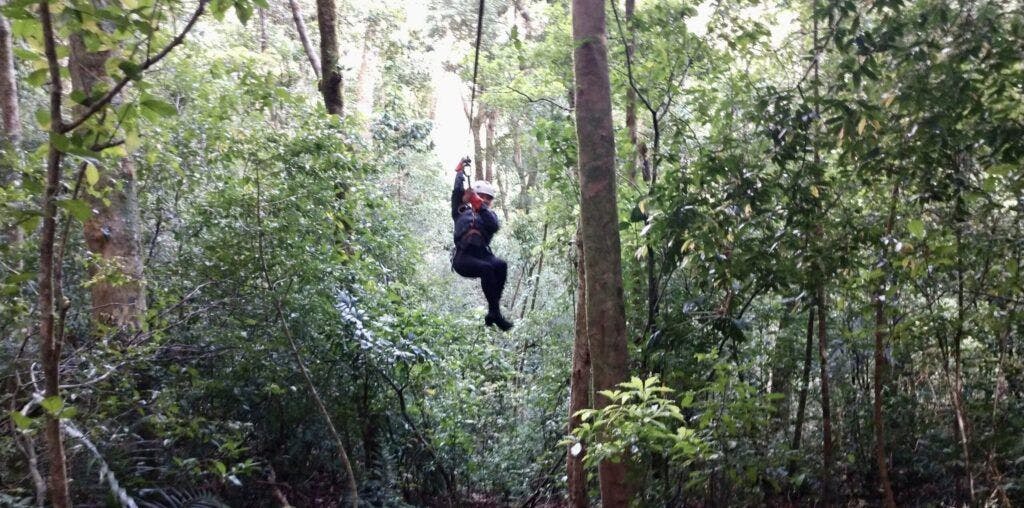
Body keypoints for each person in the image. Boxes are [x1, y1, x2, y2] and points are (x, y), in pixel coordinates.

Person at [450, 156, 513, 331]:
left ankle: (494, 312)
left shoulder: (489, 216)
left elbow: (494, 225)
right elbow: (457, 191)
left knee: (500, 265)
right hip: (463, 258)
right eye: (481, 196)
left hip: (482, 255)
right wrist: (460, 170)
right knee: (486, 269)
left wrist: (478, 203)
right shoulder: (460, 210)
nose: (485, 199)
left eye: (488, 198)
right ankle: (495, 312)